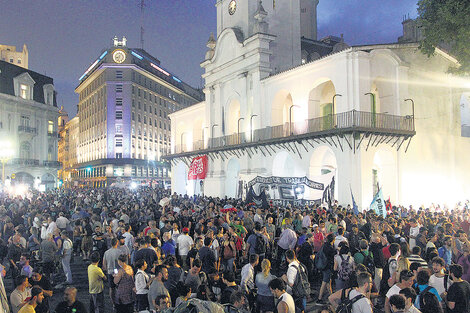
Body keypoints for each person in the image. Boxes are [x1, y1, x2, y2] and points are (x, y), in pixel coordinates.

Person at [317, 233, 336, 304]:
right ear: (333, 240)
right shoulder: (330, 248)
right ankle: (319, 298)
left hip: (323, 266)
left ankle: (331, 295)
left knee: (328, 281)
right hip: (327, 267)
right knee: (324, 282)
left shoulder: (324, 245)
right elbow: (333, 256)